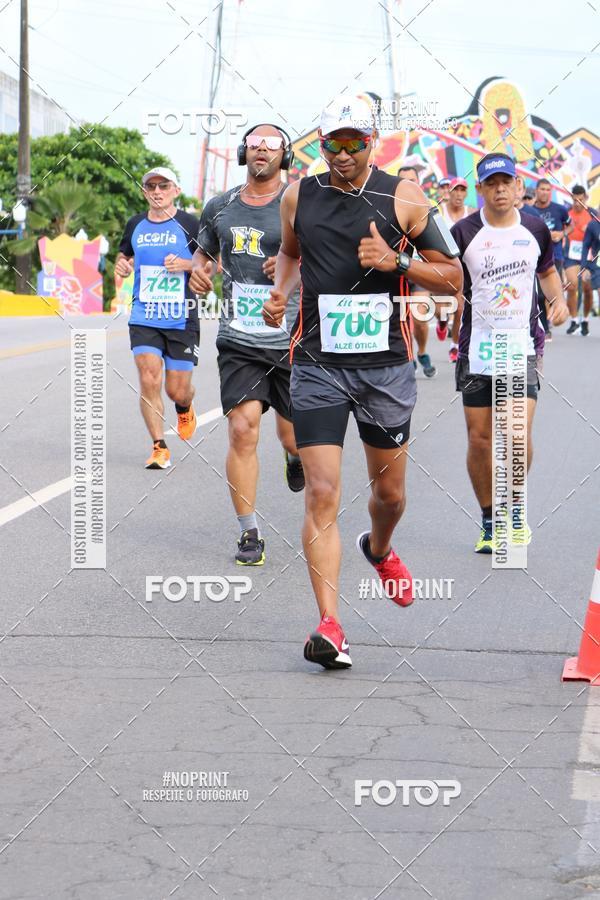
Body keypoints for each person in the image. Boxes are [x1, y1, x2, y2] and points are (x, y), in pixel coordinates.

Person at [263, 95, 462, 669]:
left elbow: (451, 281)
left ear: (372, 142)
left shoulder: (404, 195)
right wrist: (281, 293)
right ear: (318, 144)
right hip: (318, 364)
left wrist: (398, 264)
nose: (344, 154)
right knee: (323, 492)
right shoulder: (299, 194)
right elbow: (291, 254)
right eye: (333, 143)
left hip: (385, 369)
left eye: (355, 143)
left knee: (389, 495)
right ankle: (330, 625)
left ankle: (379, 549)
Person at [190, 124, 304, 567]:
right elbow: (203, 253)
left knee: (294, 437)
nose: (261, 150)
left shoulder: (297, 203)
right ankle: (249, 532)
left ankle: (293, 457)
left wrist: (294, 263)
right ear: (243, 152)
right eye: (254, 143)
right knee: (242, 428)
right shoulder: (220, 207)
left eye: (271, 144)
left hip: (293, 339)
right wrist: (199, 272)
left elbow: (322, 256)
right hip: (239, 338)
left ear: (285, 155)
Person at [451, 153, 569, 554]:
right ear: (481, 188)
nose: (500, 189)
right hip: (477, 348)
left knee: (515, 435)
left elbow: (549, 272)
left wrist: (559, 301)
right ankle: (489, 519)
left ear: (519, 187)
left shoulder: (535, 229)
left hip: (521, 344)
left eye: (507, 182)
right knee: (481, 439)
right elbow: (447, 279)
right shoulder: (462, 232)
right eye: (491, 183)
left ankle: (515, 509)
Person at [115, 167, 200, 469]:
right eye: (150, 186)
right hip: (144, 315)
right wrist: (123, 266)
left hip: (181, 318)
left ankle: (185, 406)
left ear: (176, 190)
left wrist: (185, 264)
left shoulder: (190, 223)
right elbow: (124, 256)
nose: (156, 191)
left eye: (163, 185)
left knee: (176, 389)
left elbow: (210, 265)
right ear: (144, 192)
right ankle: (159, 446)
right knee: (149, 377)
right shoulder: (135, 224)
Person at [397, 165, 437, 378]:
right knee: (398, 319)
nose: (408, 185)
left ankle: (421, 351)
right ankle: (408, 354)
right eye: (403, 180)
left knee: (420, 318)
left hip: (419, 270)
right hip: (395, 272)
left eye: (412, 180)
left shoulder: (428, 208)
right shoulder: (386, 207)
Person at [564, 185, 593, 335]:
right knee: (572, 286)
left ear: (585, 198)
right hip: (571, 255)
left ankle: (585, 320)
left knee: (587, 289)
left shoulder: (592, 213)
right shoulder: (567, 213)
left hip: (588, 256)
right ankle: (574, 320)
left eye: (580, 200)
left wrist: (590, 230)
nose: (577, 203)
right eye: (575, 200)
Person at [581, 214, 600, 319]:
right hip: (597, 264)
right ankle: (583, 318)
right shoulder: (593, 225)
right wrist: (584, 267)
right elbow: (585, 246)